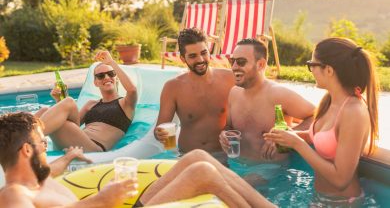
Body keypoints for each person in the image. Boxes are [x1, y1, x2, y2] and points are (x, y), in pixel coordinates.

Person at [0, 112, 276, 208]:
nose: (47, 145)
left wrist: (70, 155)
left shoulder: (40, 177)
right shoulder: (13, 194)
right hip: (107, 205)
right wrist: (100, 201)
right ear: (26, 151)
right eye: (42, 142)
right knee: (202, 172)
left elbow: (54, 167)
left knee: (197, 157)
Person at [264, 37, 379, 206]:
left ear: (329, 70)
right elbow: (319, 137)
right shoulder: (330, 100)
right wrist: (287, 136)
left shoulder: (353, 111)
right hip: (320, 199)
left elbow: (341, 179)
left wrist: (297, 144)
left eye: (312, 64)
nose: (310, 70)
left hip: (344, 203)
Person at [218, 38, 315, 185]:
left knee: (240, 186)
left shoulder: (278, 94)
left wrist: (289, 135)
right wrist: (224, 135)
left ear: (261, 64)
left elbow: (317, 116)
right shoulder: (234, 93)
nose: (234, 67)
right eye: (233, 61)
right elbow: (229, 127)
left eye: (241, 62)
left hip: (270, 170)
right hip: (237, 165)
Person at [154, 28, 235, 159]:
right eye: (193, 56)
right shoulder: (172, 87)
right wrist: (159, 134)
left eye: (204, 53)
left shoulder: (230, 79)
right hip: (188, 157)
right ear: (182, 58)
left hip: (225, 156)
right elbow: (160, 128)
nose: (201, 59)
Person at [38, 51, 137, 152]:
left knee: (69, 102)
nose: (107, 77)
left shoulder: (125, 104)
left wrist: (111, 62)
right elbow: (72, 124)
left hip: (94, 148)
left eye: (111, 74)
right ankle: (25, 134)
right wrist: (58, 100)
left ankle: (27, 137)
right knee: (44, 110)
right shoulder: (91, 104)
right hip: (75, 142)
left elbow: (132, 90)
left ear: (116, 78)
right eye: (100, 76)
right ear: (95, 83)